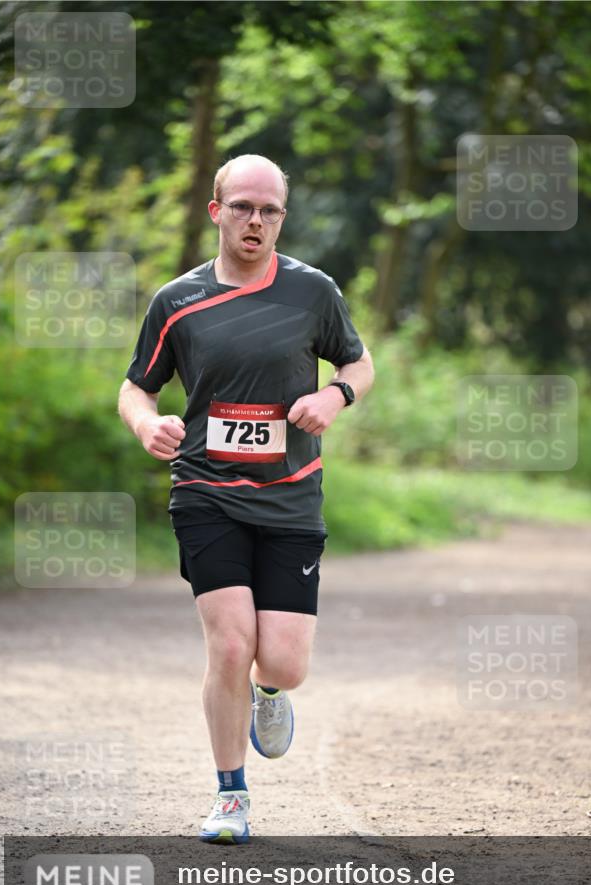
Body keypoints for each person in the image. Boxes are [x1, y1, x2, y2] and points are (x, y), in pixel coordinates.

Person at [118, 153, 374, 843]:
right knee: (229, 645)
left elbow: (358, 360)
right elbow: (136, 384)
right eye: (242, 208)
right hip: (206, 492)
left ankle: (268, 694)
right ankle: (231, 795)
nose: (255, 221)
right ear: (216, 212)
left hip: (290, 497)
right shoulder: (177, 301)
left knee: (282, 662)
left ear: (282, 218)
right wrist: (148, 423)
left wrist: (333, 394)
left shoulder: (311, 292)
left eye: (269, 210)